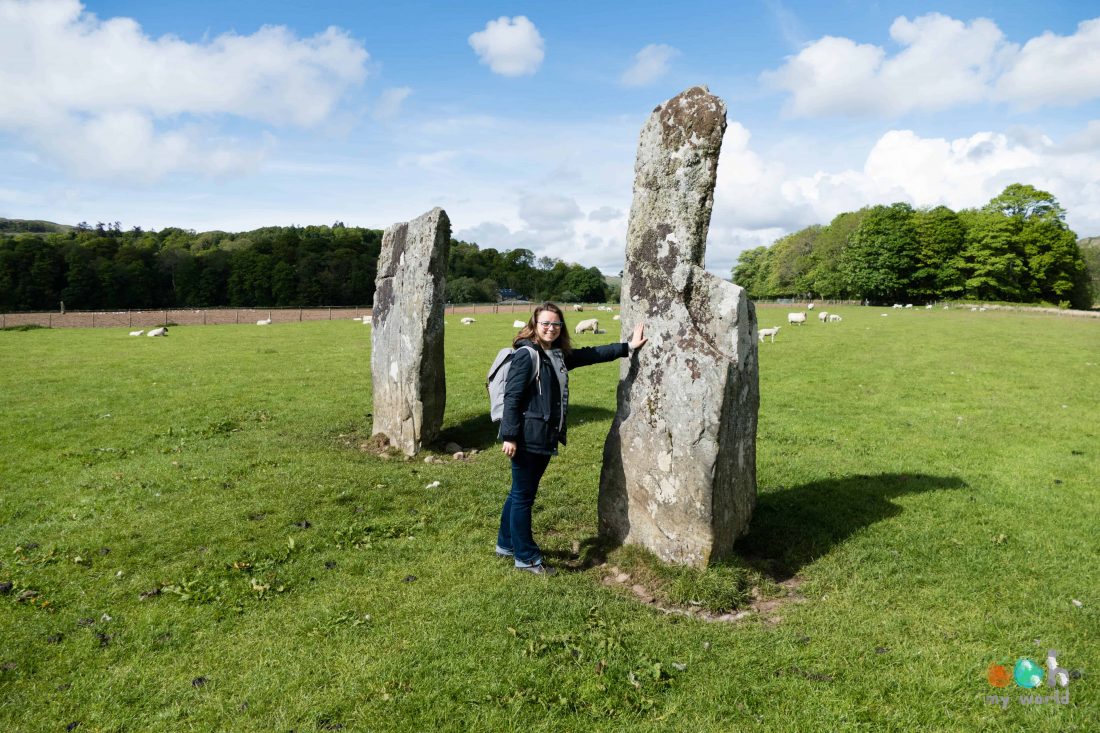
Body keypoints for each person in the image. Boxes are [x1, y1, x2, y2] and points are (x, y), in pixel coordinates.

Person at [496, 302, 647, 575]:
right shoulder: (527, 355)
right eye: (545, 323)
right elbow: (512, 397)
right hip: (528, 437)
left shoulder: (556, 355)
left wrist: (628, 347)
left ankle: (506, 544)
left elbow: (591, 354)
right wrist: (509, 436)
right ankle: (526, 557)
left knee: (520, 493)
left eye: (556, 324)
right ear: (535, 324)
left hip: (543, 435)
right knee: (523, 497)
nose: (551, 328)